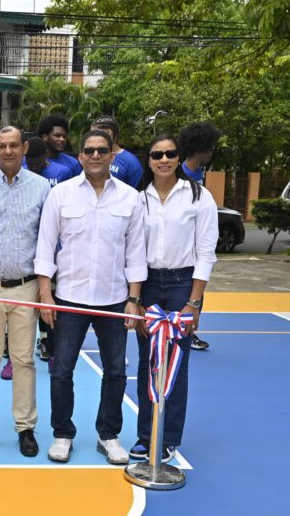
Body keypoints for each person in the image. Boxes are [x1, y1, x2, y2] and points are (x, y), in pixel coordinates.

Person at [35, 129, 147, 465]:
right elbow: (45, 247)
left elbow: (136, 252)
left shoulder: (130, 198)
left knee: (115, 372)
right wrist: (45, 295)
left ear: (113, 156)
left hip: (114, 300)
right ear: (80, 156)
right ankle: (62, 434)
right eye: (89, 150)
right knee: (62, 371)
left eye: (103, 150)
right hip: (69, 299)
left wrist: (133, 299)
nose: (95, 156)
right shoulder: (61, 195)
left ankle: (108, 435)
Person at [131, 131, 218, 462]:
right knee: (148, 362)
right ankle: (144, 435)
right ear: (149, 161)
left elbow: (206, 252)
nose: (164, 160)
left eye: (169, 154)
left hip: (184, 283)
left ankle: (167, 438)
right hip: (148, 283)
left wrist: (194, 302)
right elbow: (134, 251)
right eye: (157, 155)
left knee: (176, 364)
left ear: (179, 158)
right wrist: (135, 298)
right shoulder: (138, 198)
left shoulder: (198, 196)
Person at [0, 126, 50, 457]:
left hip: (26, 286)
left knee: (23, 360)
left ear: (25, 147)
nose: (8, 151)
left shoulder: (41, 187)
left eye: (14, 145)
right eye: (2, 146)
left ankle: (25, 427)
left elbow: (48, 239)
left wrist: (46, 289)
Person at [25, 135, 72, 363]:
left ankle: (50, 345)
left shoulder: (61, 173)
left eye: (37, 162)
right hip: (28, 246)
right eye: (29, 163)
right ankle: (16, 354)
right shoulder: (23, 172)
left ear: (46, 156)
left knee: (50, 298)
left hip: (54, 247)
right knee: (27, 301)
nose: (32, 166)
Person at [177, 122, 220, 352]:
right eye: (210, 147)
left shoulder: (198, 174)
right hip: (183, 249)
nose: (211, 152)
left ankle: (190, 330)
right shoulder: (183, 175)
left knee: (197, 290)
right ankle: (185, 331)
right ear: (200, 148)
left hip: (196, 248)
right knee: (189, 293)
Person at [93, 116, 143, 187]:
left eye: (96, 134)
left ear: (109, 133)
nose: (92, 138)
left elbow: (135, 193)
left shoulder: (131, 162)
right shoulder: (92, 157)